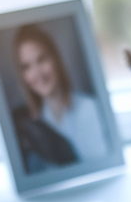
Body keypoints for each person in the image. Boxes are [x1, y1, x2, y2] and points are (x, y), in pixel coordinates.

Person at [11, 23, 109, 173]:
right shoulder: (29, 127)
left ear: (55, 58)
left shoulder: (91, 109)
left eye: (42, 59)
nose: (37, 73)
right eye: (26, 66)